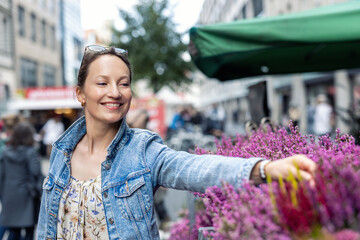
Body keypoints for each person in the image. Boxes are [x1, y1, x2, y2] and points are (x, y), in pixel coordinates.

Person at [36, 45, 317, 239]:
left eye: (123, 83)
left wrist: (265, 169)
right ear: (80, 93)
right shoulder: (62, 153)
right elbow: (45, 228)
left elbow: (195, 168)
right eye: (102, 83)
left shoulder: (142, 151)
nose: (115, 92)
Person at [0, 122, 43, 240]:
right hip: (27, 195)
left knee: (13, 230)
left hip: (9, 194)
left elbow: (1, 175)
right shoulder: (31, 152)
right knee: (29, 229)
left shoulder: (5, 152)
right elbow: (35, 172)